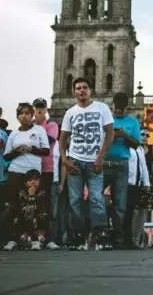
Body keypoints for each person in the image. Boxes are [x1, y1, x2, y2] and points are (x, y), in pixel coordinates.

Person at [59, 77, 115, 251]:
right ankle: (78, 236)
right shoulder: (70, 112)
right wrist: (64, 158)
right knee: (75, 200)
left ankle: (100, 235)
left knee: (97, 198)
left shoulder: (102, 108)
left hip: (94, 161)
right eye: (78, 88)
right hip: (75, 160)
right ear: (74, 92)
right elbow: (63, 138)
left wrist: (101, 156)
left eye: (85, 87)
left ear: (90, 90)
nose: (82, 91)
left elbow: (110, 133)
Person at [103, 91, 140, 247]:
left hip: (122, 164)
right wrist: (111, 135)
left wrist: (124, 135)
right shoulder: (105, 120)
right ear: (112, 106)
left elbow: (136, 144)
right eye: (116, 109)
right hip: (104, 162)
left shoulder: (133, 122)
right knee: (98, 200)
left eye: (122, 109)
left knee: (120, 204)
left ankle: (118, 238)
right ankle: (102, 233)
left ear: (127, 108)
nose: (118, 112)